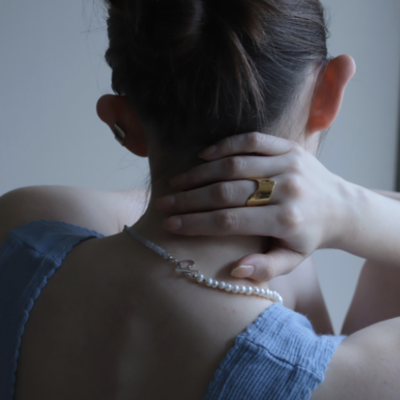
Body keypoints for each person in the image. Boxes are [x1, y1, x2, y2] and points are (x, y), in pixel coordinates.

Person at [1, 0, 400, 399]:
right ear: (328, 93)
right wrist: (353, 211)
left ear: (121, 122)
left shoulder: (21, 232)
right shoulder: (354, 380)